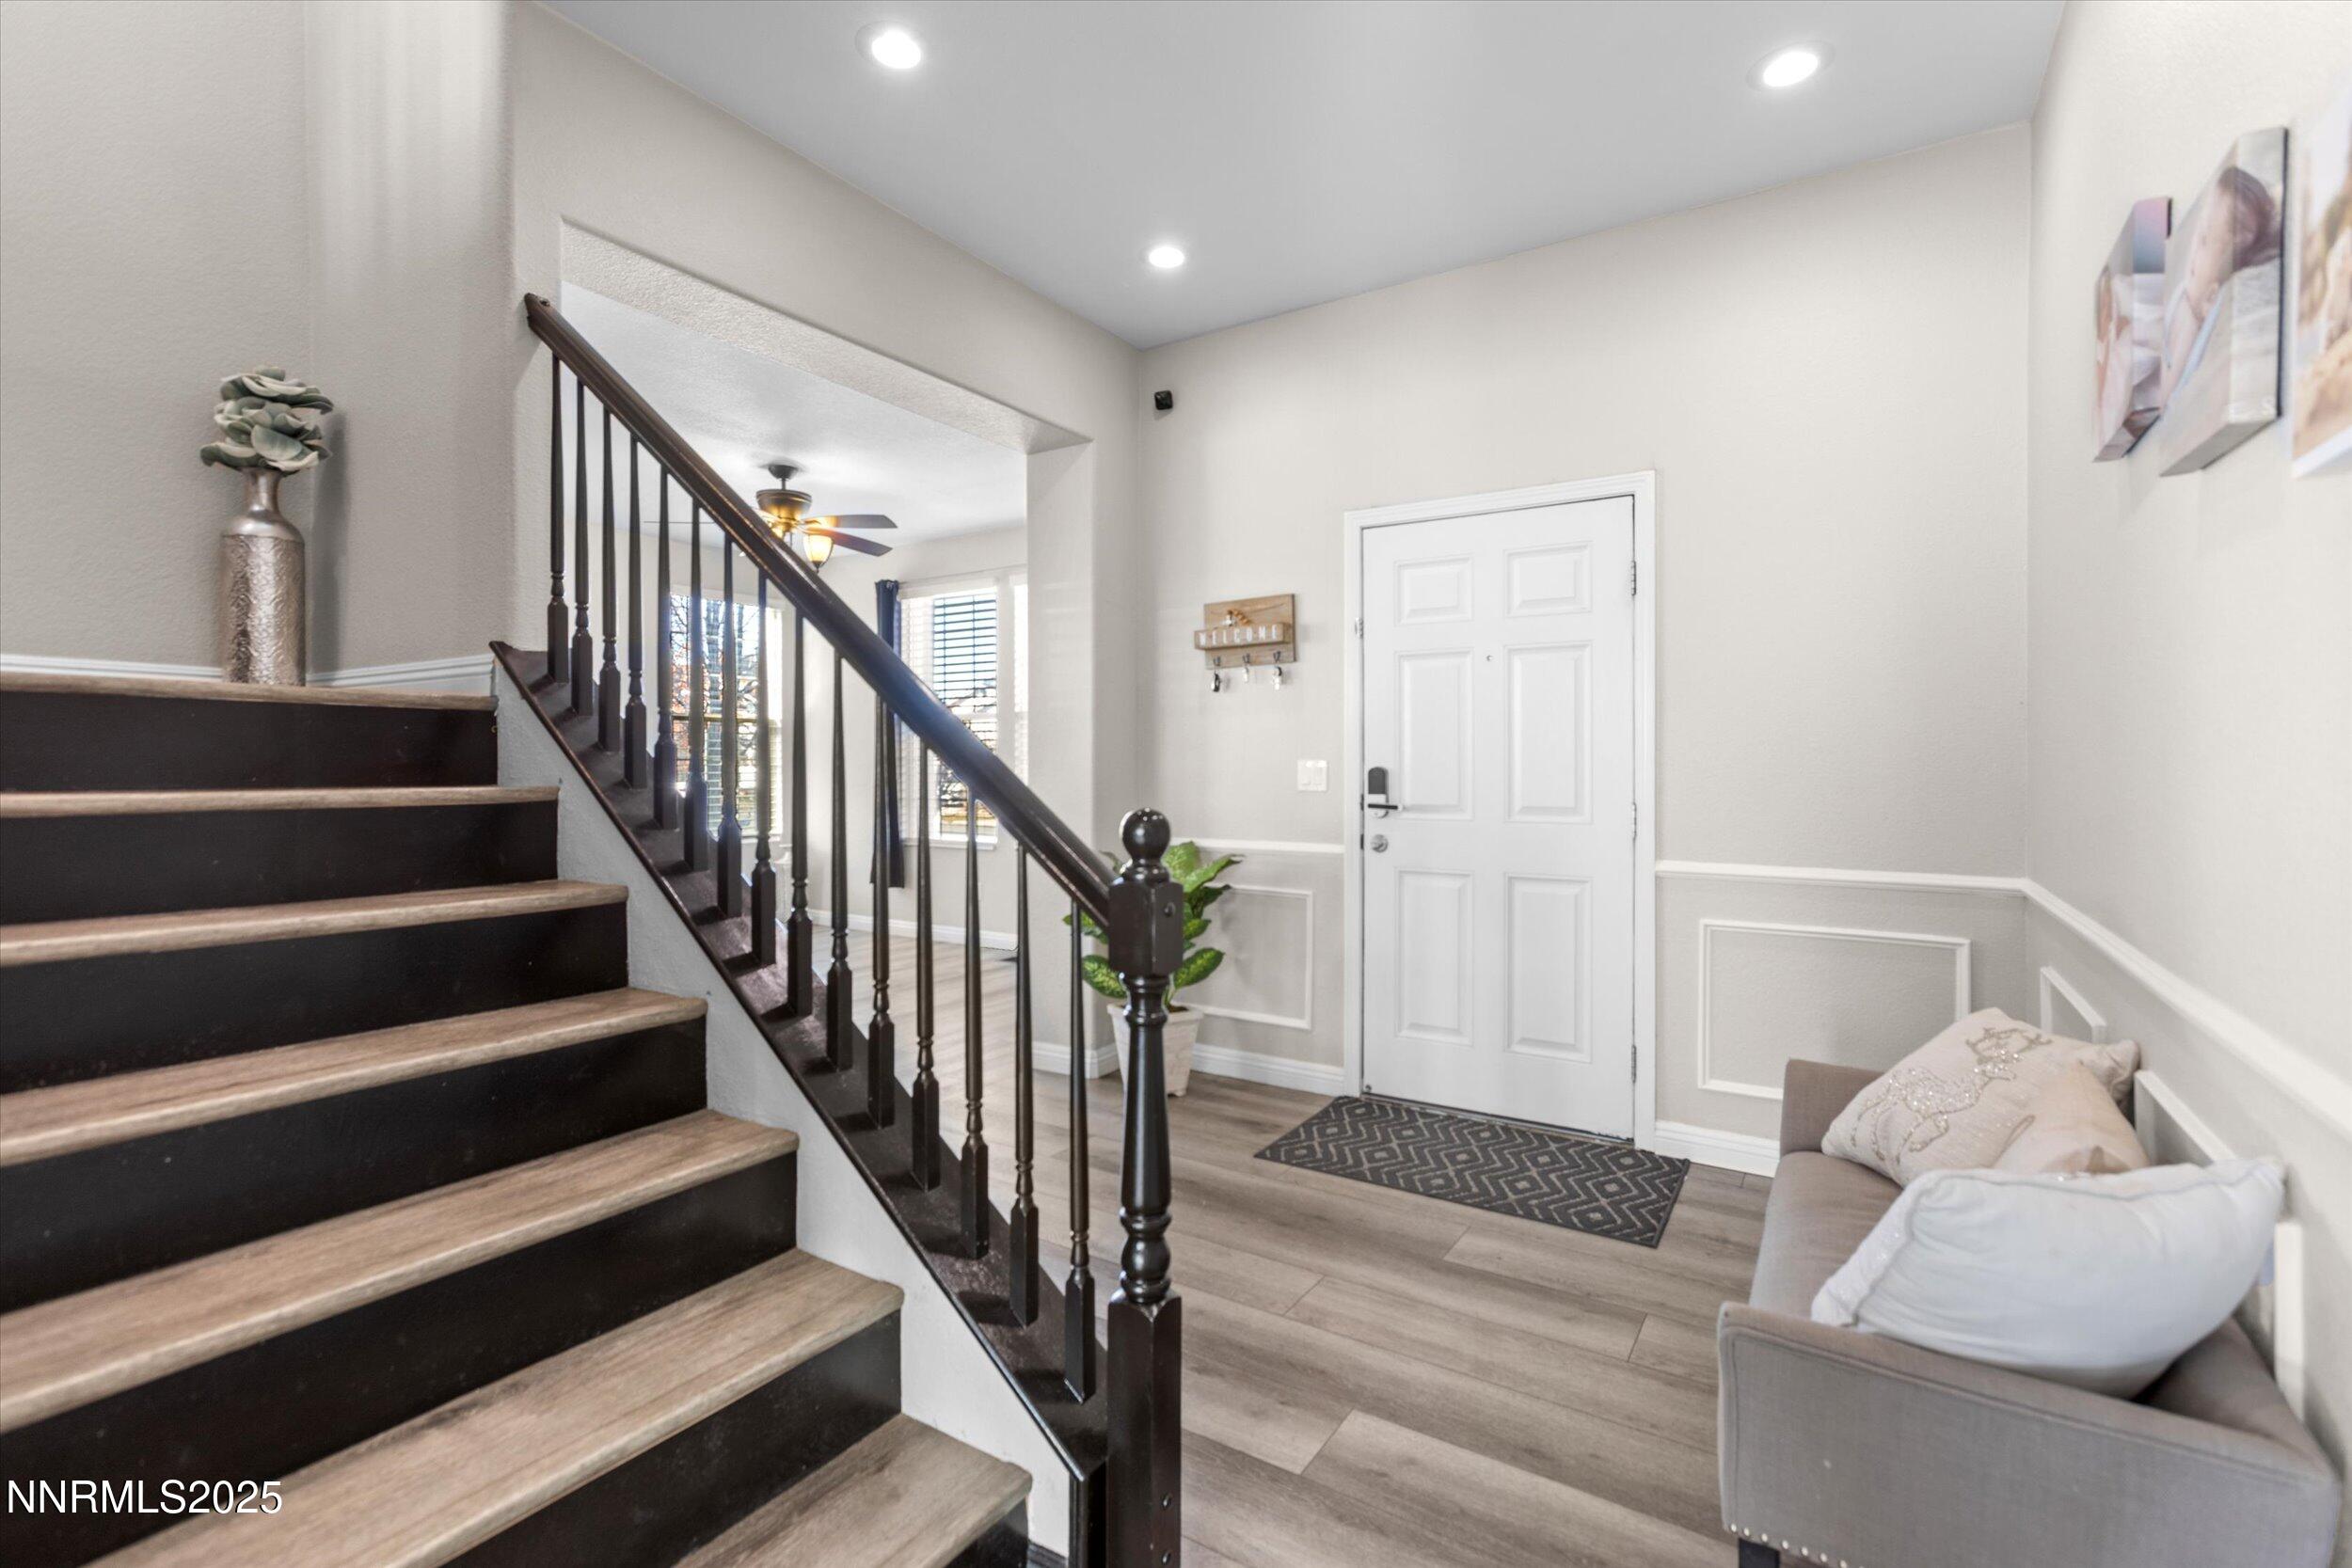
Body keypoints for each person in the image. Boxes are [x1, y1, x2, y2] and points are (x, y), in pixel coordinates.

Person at [2161, 164, 2281, 403]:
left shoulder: (2190, 319)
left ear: (2211, 299)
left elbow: (2163, 398)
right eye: (2199, 233)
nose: (2194, 244)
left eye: (2205, 240)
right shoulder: (2188, 292)